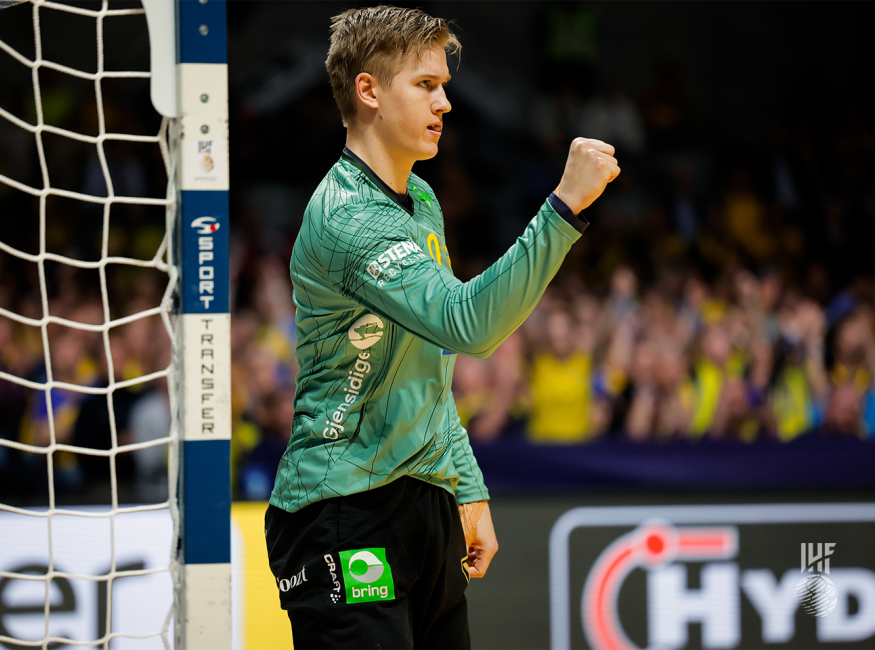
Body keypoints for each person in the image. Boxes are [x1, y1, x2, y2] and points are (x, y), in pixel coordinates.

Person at [264, 6, 619, 649]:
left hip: (421, 500)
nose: (446, 102)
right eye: (425, 84)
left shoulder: (421, 199)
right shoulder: (348, 218)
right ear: (369, 91)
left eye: (444, 85)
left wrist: (468, 487)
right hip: (342, 509)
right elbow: (468, 324)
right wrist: (563, 207)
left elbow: (429, 366)